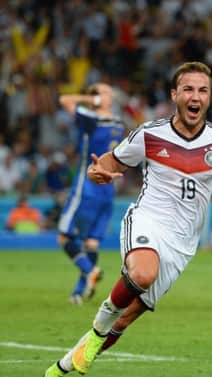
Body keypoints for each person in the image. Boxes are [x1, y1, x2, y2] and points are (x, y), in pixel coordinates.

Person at [35, 61, 212, 377]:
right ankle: (99, 329)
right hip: (147, 219)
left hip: (182, 244)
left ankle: (56, 373)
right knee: (142, 274)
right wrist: (95, 172)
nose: (195, 96)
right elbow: (108, 163)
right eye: (188, 89)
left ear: (210, 97)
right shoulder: (149, 134)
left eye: (202, 90)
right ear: (175, 95)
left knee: (125, 320)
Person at [56, 82, 126, 305]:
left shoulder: (91, 118)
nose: (107, 95)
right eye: (103, 91)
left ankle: (89, 271)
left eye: (107, 92)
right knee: (92, 243)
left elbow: (64, 101)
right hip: (108, 189)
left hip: (86, 185)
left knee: (64, 236)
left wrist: (90, 100)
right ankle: (79, 292)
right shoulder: (118, 124)